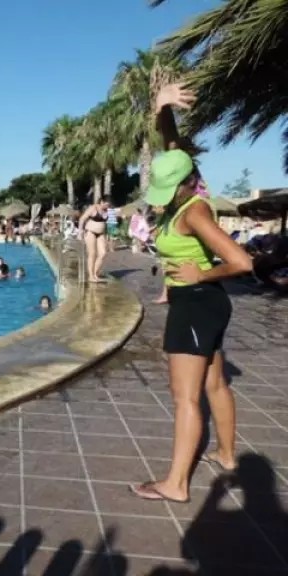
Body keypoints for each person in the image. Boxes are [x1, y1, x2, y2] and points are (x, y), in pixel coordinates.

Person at [129, 84, 253, 504]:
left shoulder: (195, 212)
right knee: (215, 384)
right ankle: (227, 455)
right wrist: (162, 108)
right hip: (206, 304)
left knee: (185, 397)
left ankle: (176, 484)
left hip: (196, 303)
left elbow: (242, 262)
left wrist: (201, 274)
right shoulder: (185, 183)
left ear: (186, 183)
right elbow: (173, 146)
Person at [78, 197, 110, 283]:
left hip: (101, 234)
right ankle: (91, 276)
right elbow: (82, 219)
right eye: (106, 204)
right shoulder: (93, 208)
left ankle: (95, 274)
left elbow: (105, 223)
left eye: (108, 205)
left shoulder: (106, 210)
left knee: (103, 253)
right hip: (90, 232)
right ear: (102, 202)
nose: (107, 207)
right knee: (92, 254)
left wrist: (107, 235)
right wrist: (80, 232)